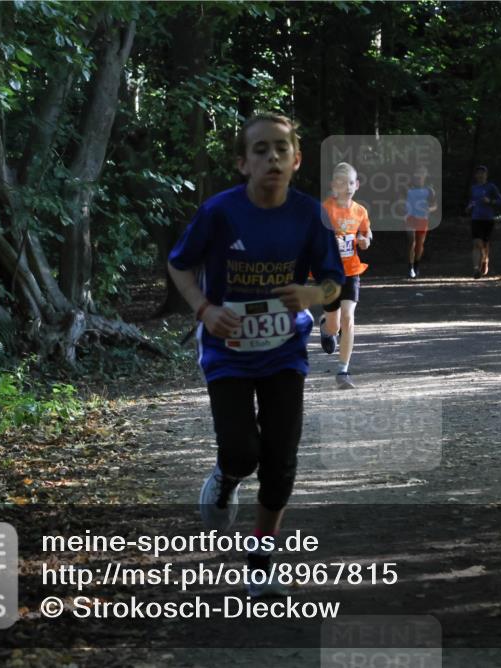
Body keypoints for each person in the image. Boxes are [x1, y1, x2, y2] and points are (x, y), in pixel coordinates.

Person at [167, 113, 344, 597]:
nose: (272, 158)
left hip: (285, 352)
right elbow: (180, 265)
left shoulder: (310, 215)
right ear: (243, 163)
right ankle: (226, 477)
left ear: (297, 160)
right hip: (227, 353)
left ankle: (261, 562)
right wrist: (204, 309)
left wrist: (312, 296)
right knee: (243, 451)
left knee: (281, 458)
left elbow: (334, 283)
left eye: (281, 149)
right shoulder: (220, 213)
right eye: (261, 150)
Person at [319, 162, 372, 389]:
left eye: (351, 182)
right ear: (333, 186)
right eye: (342, 183)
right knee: (334, 324)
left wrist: (364, 241)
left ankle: (343, 371)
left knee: (348, 318)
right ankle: (325, 328)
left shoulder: (360, 211)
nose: (347, 187)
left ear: (357, 184)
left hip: (351, 271)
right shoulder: (325, 209)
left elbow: (367, 236)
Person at [466, 165, 501, 279]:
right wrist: (469, 207)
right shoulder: (473, 188)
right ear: (476, 175)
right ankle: (476, 269)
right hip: (476, 218)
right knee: (476, 243)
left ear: (486, 175)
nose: (481, 175)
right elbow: (472, 201)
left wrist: (490, 201)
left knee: (485, 244)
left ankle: (485, 260)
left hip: (488, 218)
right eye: (479, 173)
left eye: (483, 173)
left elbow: (500, 201)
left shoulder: (491, 187)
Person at [404, 165, 437, 278]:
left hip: (422, 219)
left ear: (425, 176)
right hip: (410, 218)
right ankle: (410, 266)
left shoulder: (429, 190)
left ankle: (417, 265)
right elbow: (399, 199)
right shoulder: (407, 188)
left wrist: (430, 209)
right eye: (417, 173)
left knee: (419, 244)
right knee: (411, 241)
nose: (419, 176)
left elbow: (434, 205)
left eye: (422, 173)